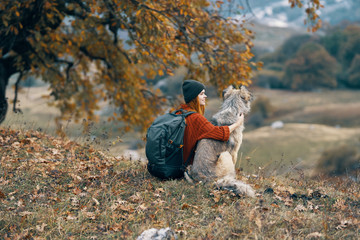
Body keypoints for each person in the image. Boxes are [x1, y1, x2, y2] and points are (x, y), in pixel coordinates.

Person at [179, 79, 244, 165]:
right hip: (185, 165)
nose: (205, 96)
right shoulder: (195, 118)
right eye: (201, 94)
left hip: (177, 162)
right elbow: (219, 133)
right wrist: (237, 124)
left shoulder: (180, 112)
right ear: (194, 97)